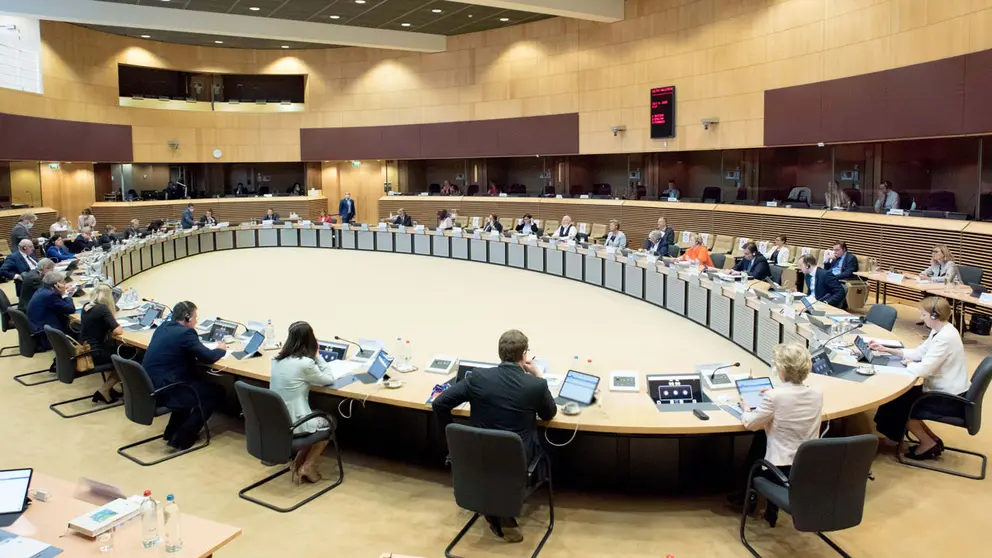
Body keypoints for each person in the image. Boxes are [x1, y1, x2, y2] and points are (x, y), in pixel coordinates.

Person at [432, 329, 556, 544]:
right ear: (525, 355)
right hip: (518, 460)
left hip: (476, 454)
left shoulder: (478, 377)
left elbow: (439, 403)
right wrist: (538, 376)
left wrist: (453, 443)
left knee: (493, 459)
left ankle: (494, 511)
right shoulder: (535, 385)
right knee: (543, 454)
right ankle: (502, 512)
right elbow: (549, 413)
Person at [871, 297, 969, 461]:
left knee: (900, 403)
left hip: (948, 395)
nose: (921, 318)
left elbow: (923, 369)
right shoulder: (941, 330)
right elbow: (919, 353)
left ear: (933, 316)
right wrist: (887, 350)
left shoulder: (945, 337)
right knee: (901, 397)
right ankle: (931, 440)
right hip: (945, 387)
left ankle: (927, 443)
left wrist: (907, 364)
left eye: (923, 315)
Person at [739, 344, 823, 527]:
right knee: (763, 437)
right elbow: (793, 400)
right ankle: (768, 510)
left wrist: (746, 408)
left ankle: (744, 498)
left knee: (758, 439)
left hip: (779, 470)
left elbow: (750, 423)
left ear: (782, 370)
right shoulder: (817, 393)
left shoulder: (775, 398)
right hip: (807, 466)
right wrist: (773, 393)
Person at [142, 301, 227, 450]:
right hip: (167, 390)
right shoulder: (186, 333)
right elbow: (208, 357)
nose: (196, 321)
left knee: (191, 383)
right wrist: (221, 349)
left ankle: (172, 431)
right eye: (195, 317)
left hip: (151, 387)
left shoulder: (163, 327)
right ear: (187, 318)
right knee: (215, 392)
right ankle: (184, 437)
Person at [271, 321, 348, 484]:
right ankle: (308, 466)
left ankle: (298, 462)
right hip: (295, 422)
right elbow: (328, 379)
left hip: (276, 421)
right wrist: (318, 355)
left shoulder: (276, 360)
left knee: (314, 420)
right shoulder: (305, 364)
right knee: (329, 421)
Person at [81, 284, 124, 404]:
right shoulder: (102, 309)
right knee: (126, 359)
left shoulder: (86, 307)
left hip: (87, 348)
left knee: (117, 351)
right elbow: (118, 331)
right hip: (96, 352)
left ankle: (109, 388)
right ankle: (104, 390)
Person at [26, 271, 75, 350]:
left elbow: (56, 302)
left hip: (38, 324)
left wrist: (64, 291)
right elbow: (70, 309)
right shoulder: (50, 295)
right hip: (45, 332)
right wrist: (64, 294)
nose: (65, 285)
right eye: (63, 283)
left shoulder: (43, 289)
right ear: (56, 285)